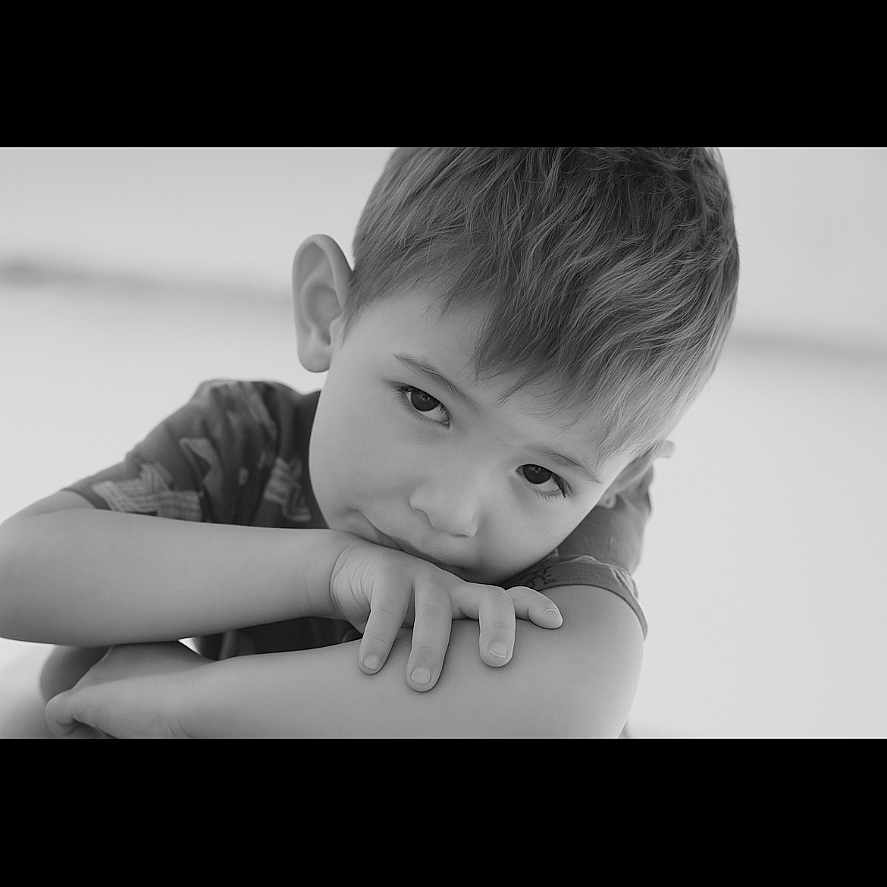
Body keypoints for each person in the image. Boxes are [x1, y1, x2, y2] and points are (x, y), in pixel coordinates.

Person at [0, 147, 738, 738]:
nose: (450, 511)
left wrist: (189, 699)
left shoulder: (579, 532)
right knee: (79, 659)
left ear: (624, 476)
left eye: (540, 474)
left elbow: (569, 706)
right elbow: (15, 575)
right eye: (425, 401)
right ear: (327, 313)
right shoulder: (247, 441)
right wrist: (326, 568)